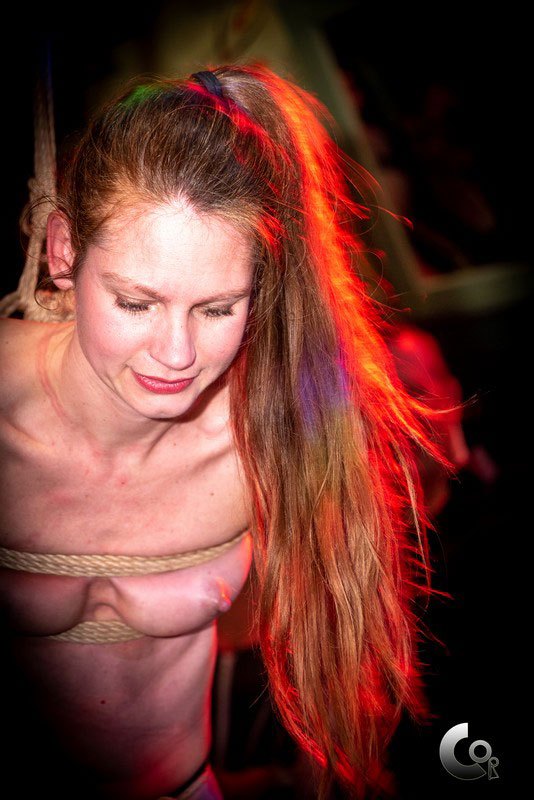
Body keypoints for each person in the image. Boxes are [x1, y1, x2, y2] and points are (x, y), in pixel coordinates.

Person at [0, 64, 450, 800]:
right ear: (63, 252)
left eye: (216, 309)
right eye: (136, 302)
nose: (177, 355)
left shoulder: (266, 434)